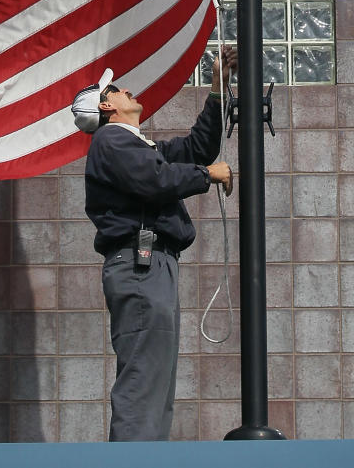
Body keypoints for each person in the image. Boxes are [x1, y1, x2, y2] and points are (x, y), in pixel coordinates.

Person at [71, 46, 236, 442]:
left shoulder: (136, 146)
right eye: (116, 89)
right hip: (141, 266)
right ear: (107, 106)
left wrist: (217, 88)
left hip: (148, 266)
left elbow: (196, 148)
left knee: (154, 379)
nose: (126, 89)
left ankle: (146, 458)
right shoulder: (112, 140)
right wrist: (207, 175)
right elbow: (156, 179)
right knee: (145, 376)